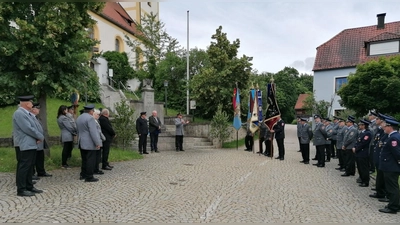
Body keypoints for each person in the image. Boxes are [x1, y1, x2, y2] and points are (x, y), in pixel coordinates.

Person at [12, 95, 44, 197]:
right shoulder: (19, 113)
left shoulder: (27, 114)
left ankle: (29, 186)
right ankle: (21, 189)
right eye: (31, 102)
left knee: (30, 166)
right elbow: (28, 128)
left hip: (31, 143)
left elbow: (33, 126)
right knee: (24, 166)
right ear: (26, 104)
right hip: (25, 144)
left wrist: (38, 137)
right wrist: (40, 136)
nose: (32, 104)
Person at [378, 118, 400, 214]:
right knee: (393, 186)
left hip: (391, 167)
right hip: (390, 166)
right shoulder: (395, 136)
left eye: (386, 126)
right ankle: (395, 204)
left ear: (390, 127)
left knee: (392, 187)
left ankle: (393, 207)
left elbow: (397, 153)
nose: (384, 128)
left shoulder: (393, 138)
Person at [76, 104, 102, 182]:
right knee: (90, 159)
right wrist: (97, 143)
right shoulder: (90, 119)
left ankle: (83, 174)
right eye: (93, 111)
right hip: (89, 142)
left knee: (84, 159)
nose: (93, 112)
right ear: (91, 111)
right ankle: (89, 176)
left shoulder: (79, 117)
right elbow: (93, 132)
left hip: (81, 141)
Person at [370, 113, 390, 199]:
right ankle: (379, 190)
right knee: (379, 175)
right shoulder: (380, 131)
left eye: (382, 123)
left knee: (383, 176)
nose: (382, 125)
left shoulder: (385, 133)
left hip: (383, 158)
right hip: (378, 156)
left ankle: (382, 192)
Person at [31, 103, 52, 177]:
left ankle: (41, 171)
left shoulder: (36, 117)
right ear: (33, 109)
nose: (39, 110)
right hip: (35, 141)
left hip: (40, 142)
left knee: (40, 157)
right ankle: (32, 173)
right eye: (37, 108)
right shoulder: (31, 117)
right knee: (33, 159)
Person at [353, 119, 372, 187]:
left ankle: (365, 181)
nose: (359, 126)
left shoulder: (368, 133)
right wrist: (355, 147)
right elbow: (357, 141)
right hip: (359, 152)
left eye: (360, 125)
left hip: (363, 153)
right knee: (359, 167)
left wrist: (356, 148)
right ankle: (361, 178)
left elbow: (363, 143)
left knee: (364, 168)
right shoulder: (362, 132)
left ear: (364, 126)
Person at [93, 109, 105, 175]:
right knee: (96, 156)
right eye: (98, 114)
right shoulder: (93, 121)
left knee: (98, 156)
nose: (99, 116)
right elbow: (97, 132)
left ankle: (96, 168)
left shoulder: (96, 121)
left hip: (99, 140)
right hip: (97, 140)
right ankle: (95, 169)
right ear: (94, 114)